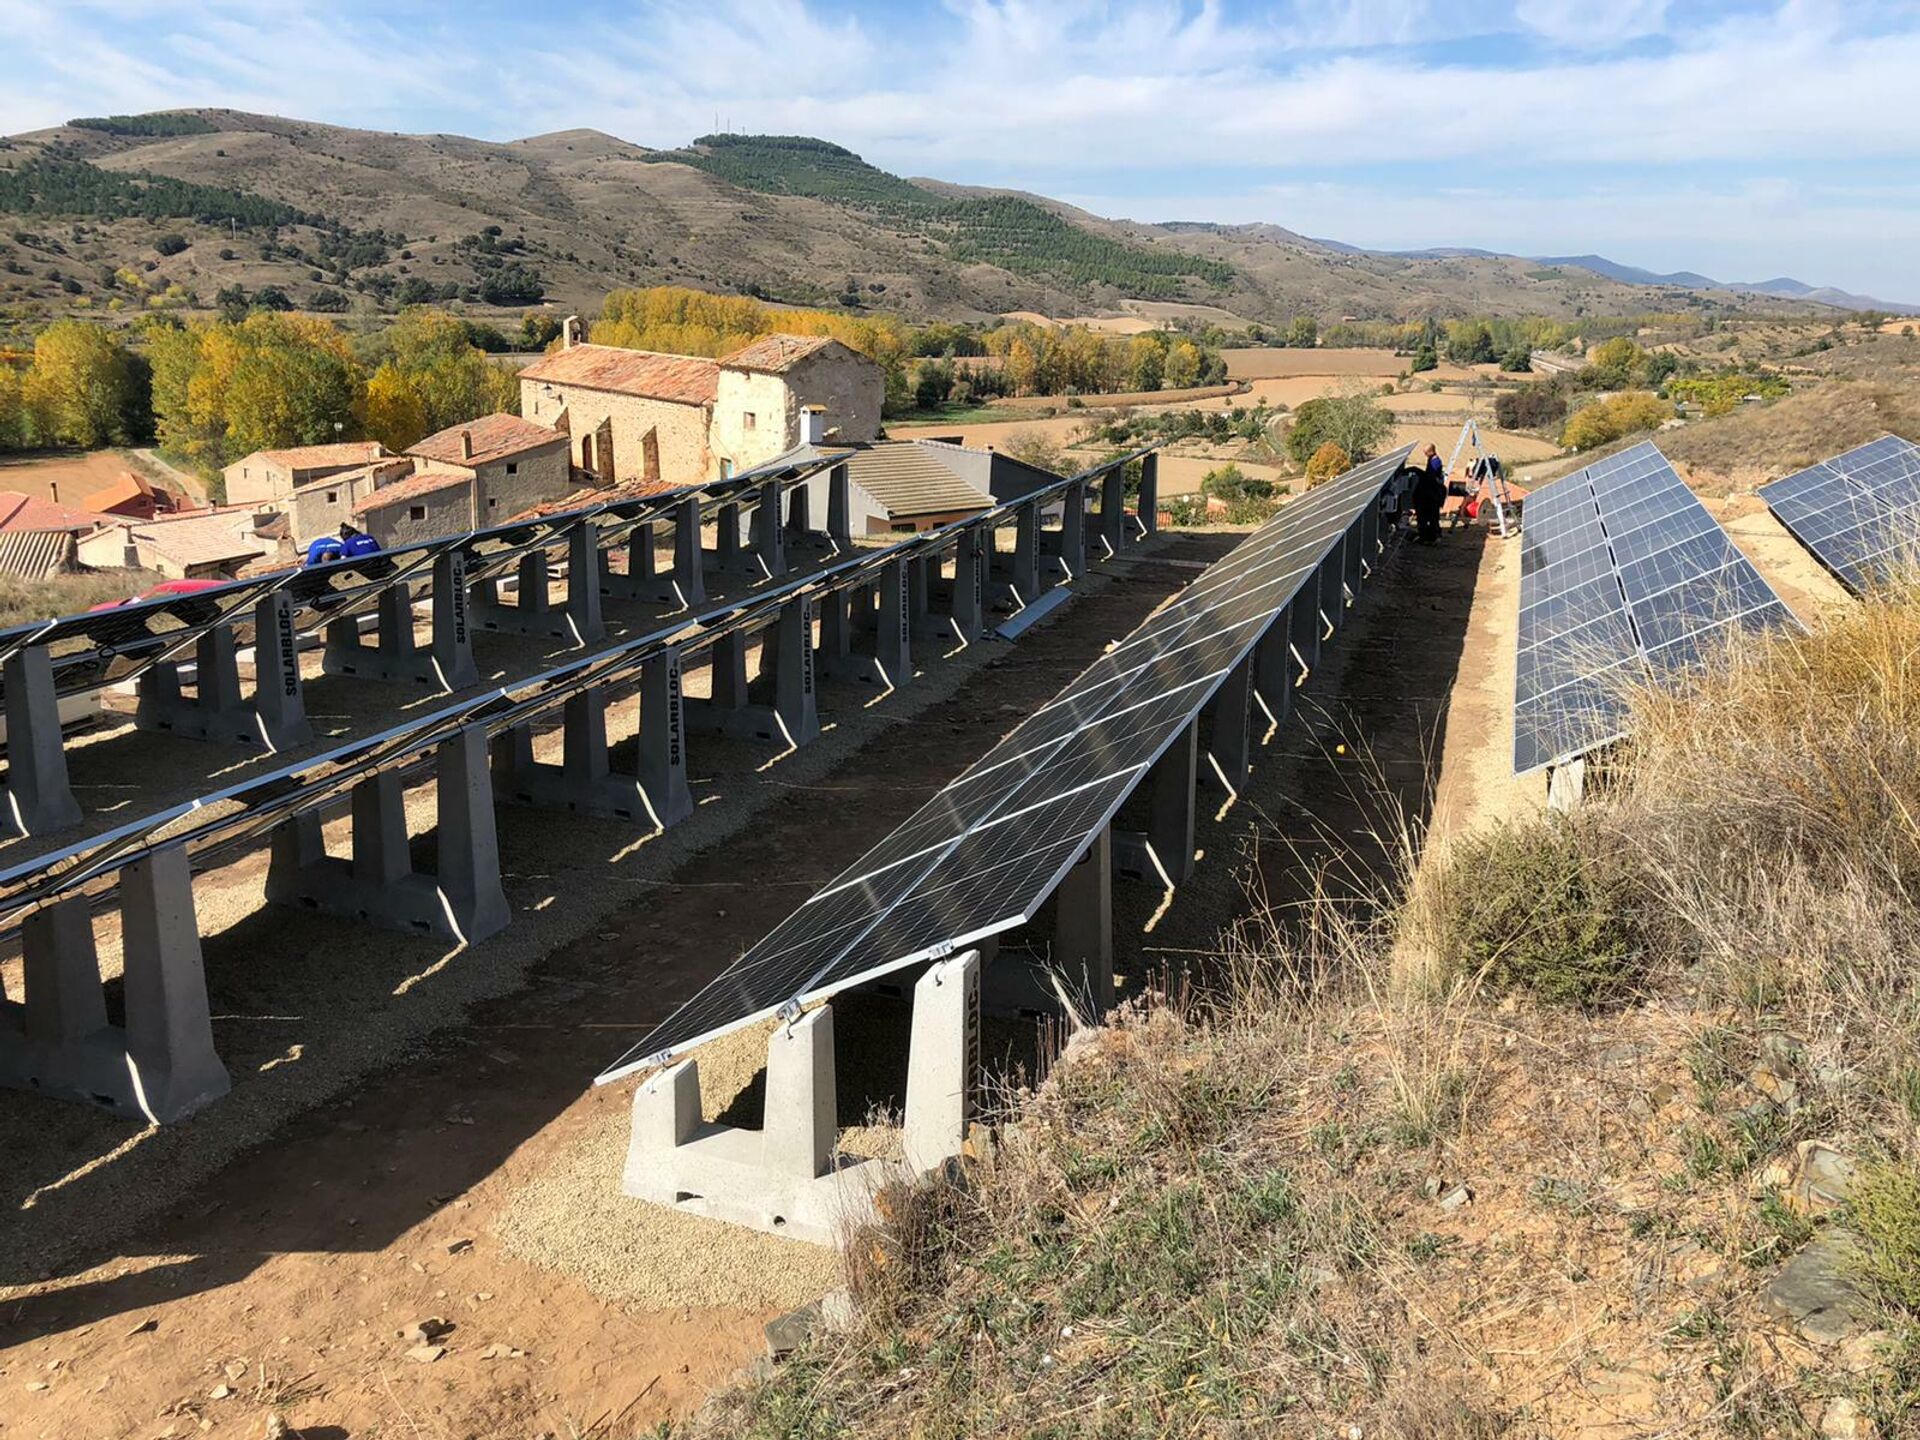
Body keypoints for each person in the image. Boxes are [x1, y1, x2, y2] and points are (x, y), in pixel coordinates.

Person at [1411, 443, 1447, 544]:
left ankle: (1430, 536)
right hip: (1430, 493)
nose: (1425, 454)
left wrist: (1417, 471)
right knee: (1430, 515)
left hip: (1432, 494)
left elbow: (1430, 477)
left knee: (1431, 516)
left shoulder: (1435, 462)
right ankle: (1429, 535)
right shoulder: (1432, 460)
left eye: (1426, 452)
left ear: (1431, 451)